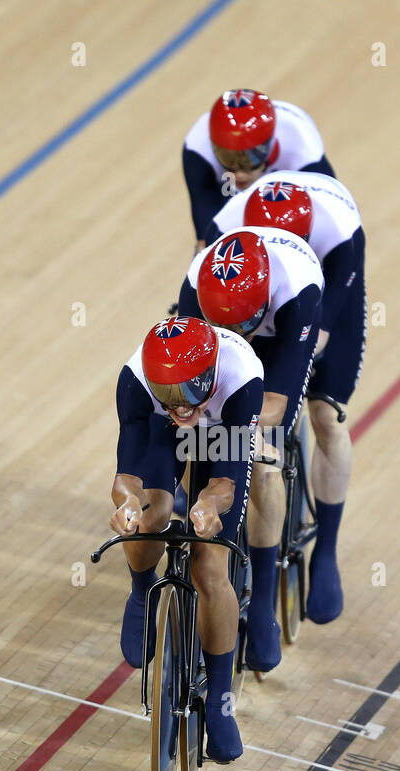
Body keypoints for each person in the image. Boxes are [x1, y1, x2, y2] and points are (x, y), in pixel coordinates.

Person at [203, 173, 365, 623]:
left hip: (310, 303)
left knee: (325, 414)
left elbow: (313, 340)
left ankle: (326, 552)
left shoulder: (336, 235)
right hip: (245, 301)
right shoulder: (220, 237)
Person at [112, 316, 264, 762]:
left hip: (224, 428)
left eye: (188, 394)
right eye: (169, 396)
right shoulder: (137, 382)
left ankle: (219, 700)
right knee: (151, 513)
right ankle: (142, 593)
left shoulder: (241, 379)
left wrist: (207, 506)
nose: (181, 407)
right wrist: (126, 505)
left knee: (209, 564)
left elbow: (225, 485)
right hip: (163, 436)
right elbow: (128, 478)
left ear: (210, 374)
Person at [176, 228, 323, 672]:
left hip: (279, 341)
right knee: (192, 436)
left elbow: (275, 406)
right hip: (225, 333)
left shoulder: (298, 294)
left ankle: (262, 601)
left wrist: (243, 431)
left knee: (262, 459)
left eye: (241, 324)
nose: (234, 334)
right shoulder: (194, 287)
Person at [182, 89, 335, 247]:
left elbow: (330, 219)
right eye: (226, 158)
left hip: (292, 193)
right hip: (227, 191)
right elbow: (205, 230)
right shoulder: (197, 148)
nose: (239, 174)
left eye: (250, 158)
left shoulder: (301, 146)